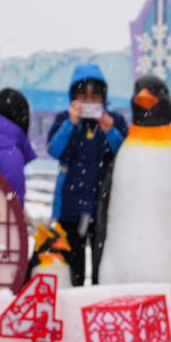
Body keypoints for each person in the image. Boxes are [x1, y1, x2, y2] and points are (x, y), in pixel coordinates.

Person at [47, 64, 127, 286]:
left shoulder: (115, 121)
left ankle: (99, 304)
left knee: (104, 266)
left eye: (95, 95)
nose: (89, 100)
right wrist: (70, 125)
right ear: (73, 97)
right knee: (74, 269)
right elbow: (54, 150)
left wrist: (110, 131)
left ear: (103, 96)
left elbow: (125, 155)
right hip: (70, 209)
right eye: (82, 94)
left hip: (103, 207)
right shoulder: (65, 119)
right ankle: (73, 308)